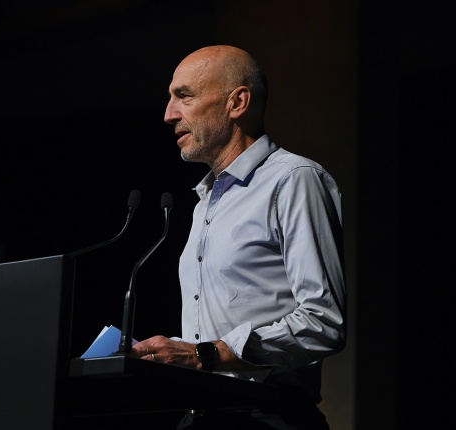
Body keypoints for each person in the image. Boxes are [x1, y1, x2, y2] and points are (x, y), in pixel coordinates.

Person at [130, 45, 347, 429]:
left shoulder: (292, 180)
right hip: (203, 414)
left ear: (237, 102)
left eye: (184, 96)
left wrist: (203, 355)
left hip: (268, 416)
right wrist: (165, 354)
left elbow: (323, 323)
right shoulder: (205, 200)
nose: (168, 114)